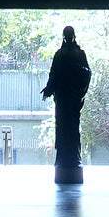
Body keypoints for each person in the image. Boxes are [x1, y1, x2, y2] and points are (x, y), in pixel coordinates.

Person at [42, 26, 91, 183]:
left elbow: (54, 75)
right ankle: (70, 159)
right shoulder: (78, 54)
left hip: (65, 100)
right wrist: (79, 91)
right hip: (70, 100)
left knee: (65, 130)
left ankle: (66, 160)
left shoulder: (61, 54)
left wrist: (50, 89)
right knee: (70, 130)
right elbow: (86, 74)